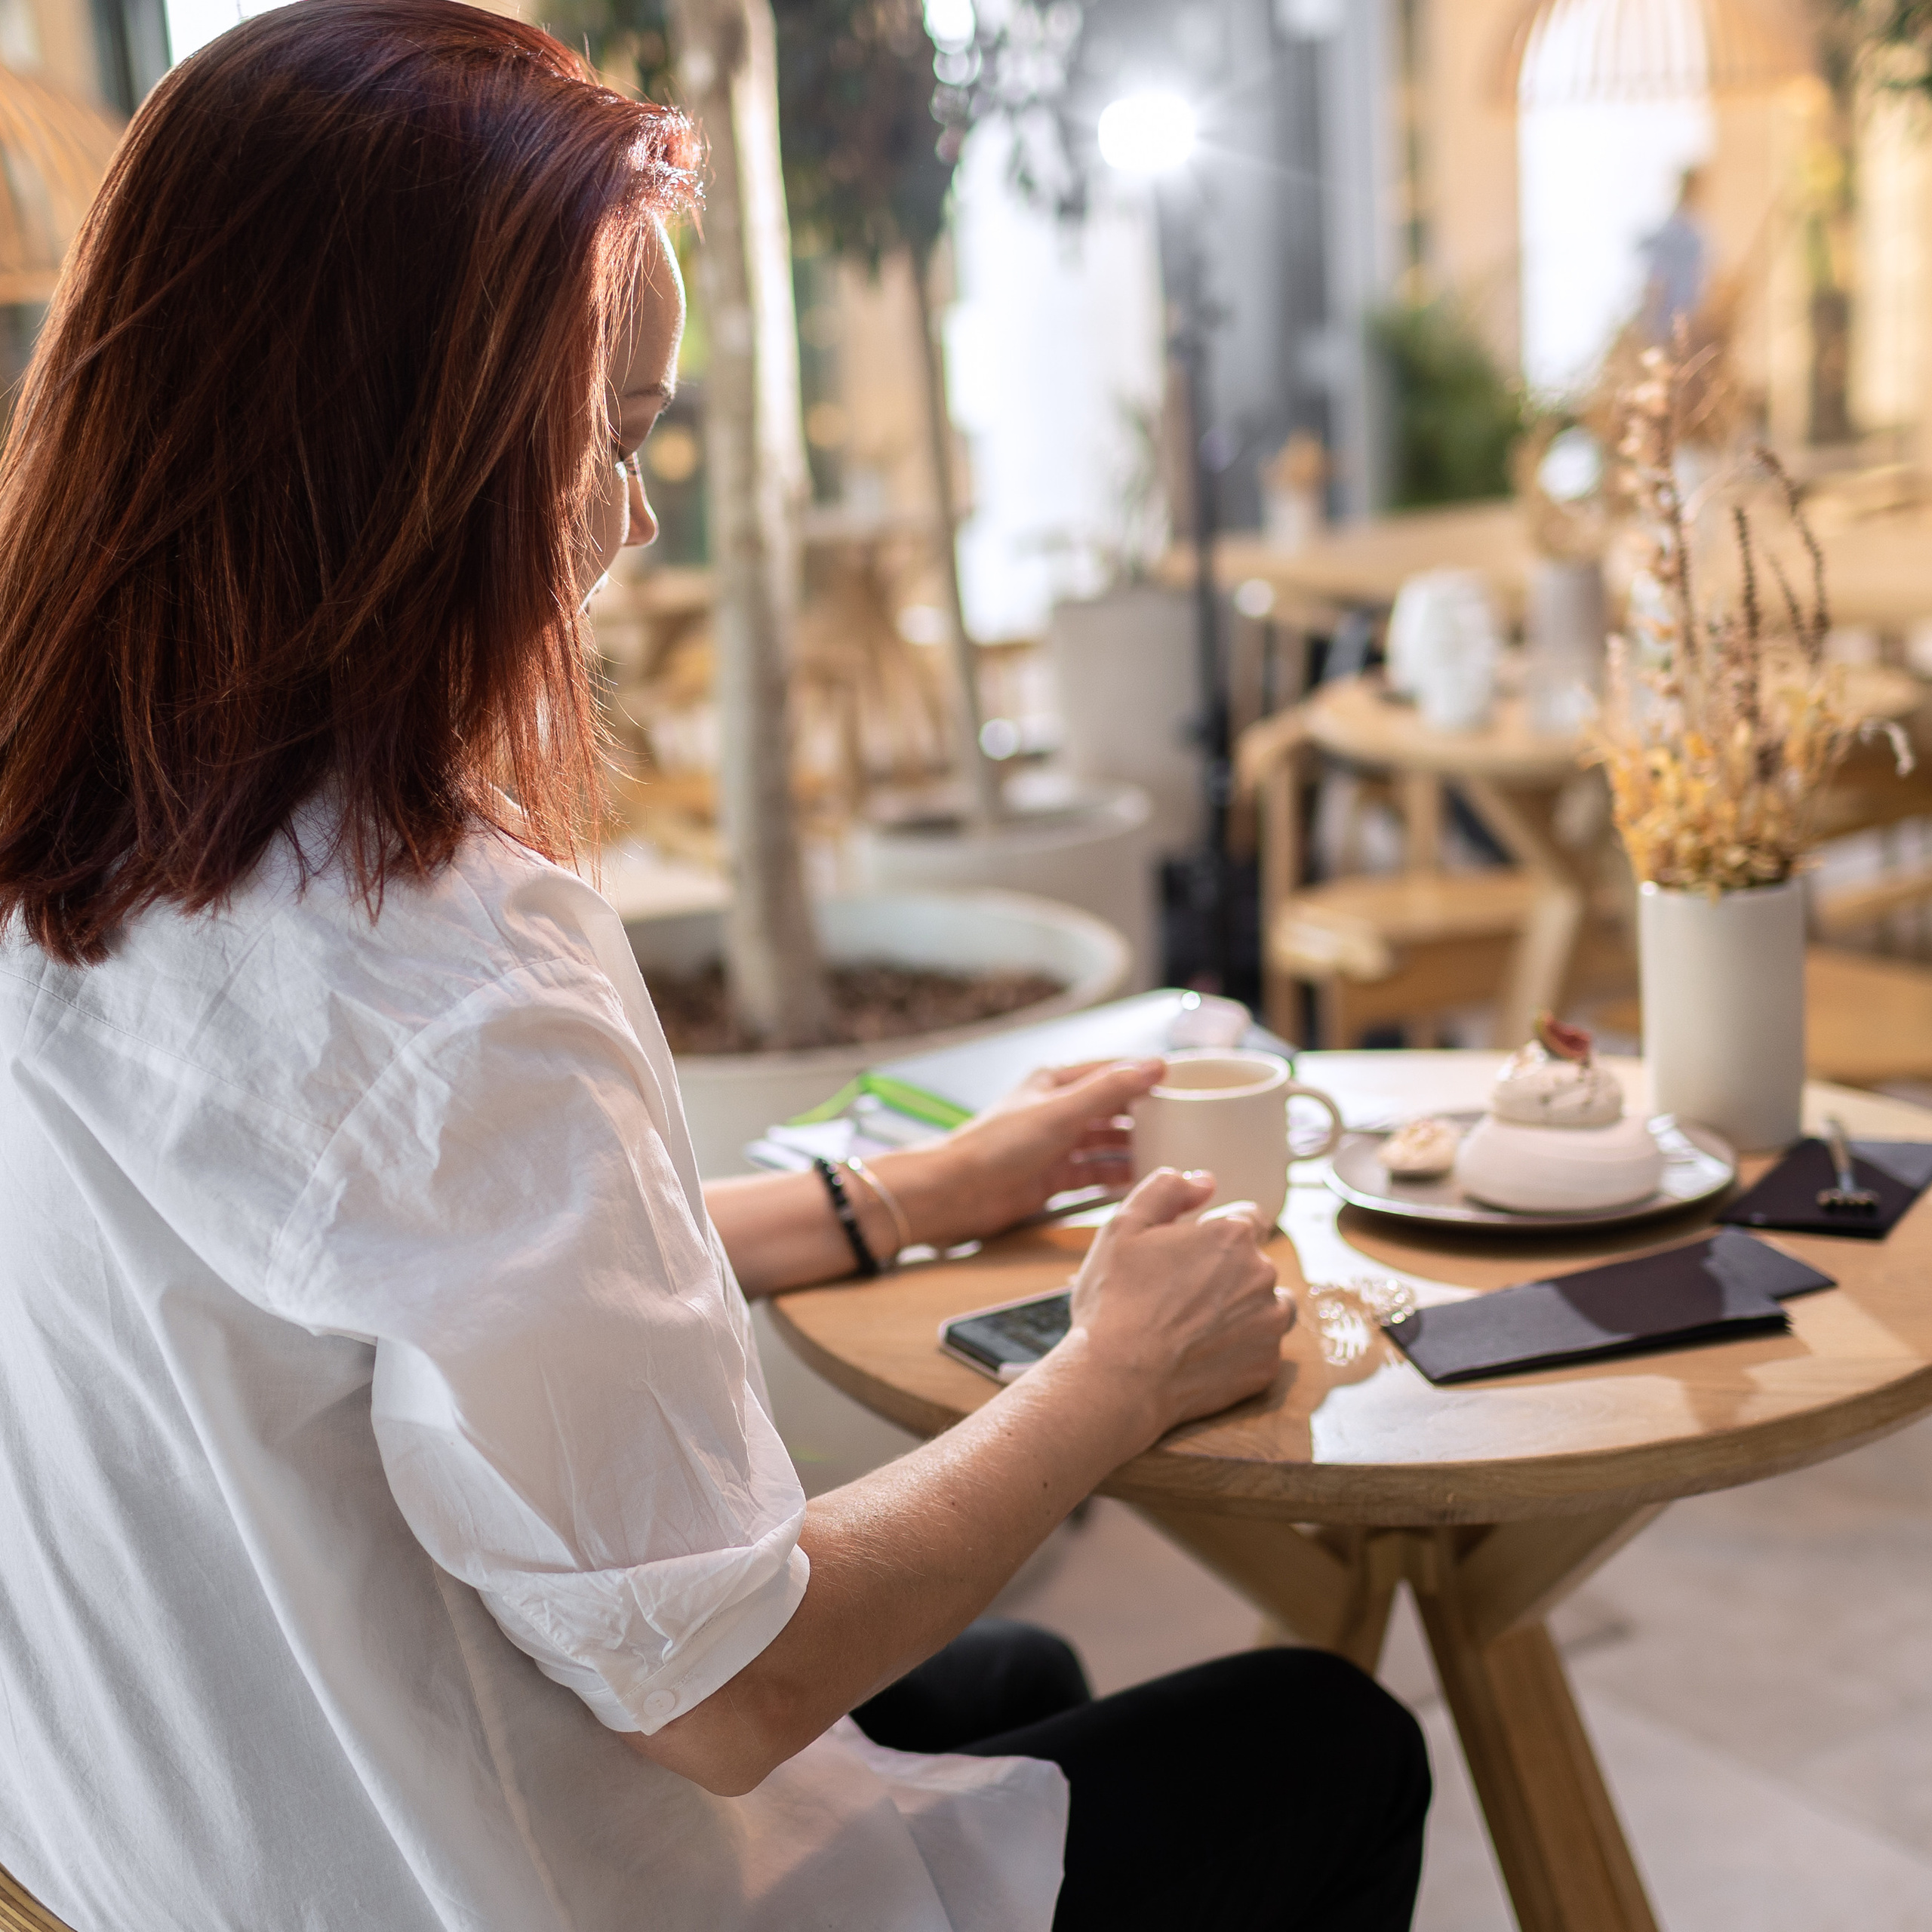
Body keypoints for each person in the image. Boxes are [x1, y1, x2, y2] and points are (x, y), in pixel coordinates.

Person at [0, 6, 1429, 1929]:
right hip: (471, 1869)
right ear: (407, 446)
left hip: (166, 1853)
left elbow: (397, 1275)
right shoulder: (446, 966)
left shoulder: (78, 852)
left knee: (1005, 1681)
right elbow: (727, 1684)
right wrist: (1116, 1370)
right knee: (1327, 1743)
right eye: (609, 436)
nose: (633, 518)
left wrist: (916, 1191)